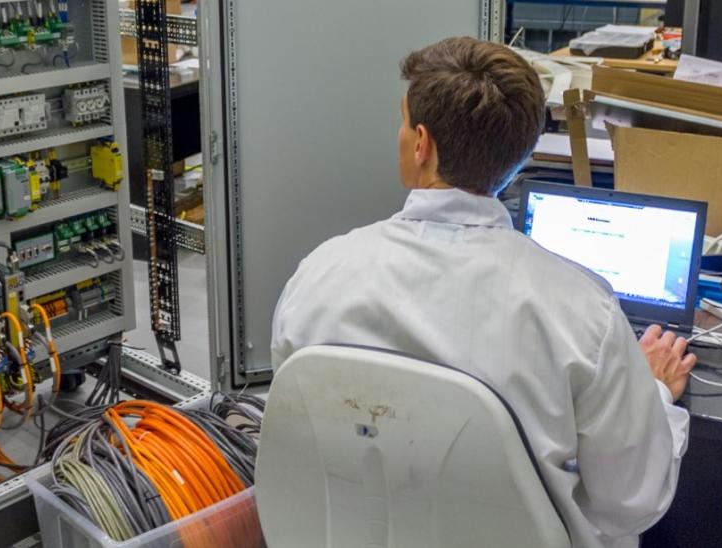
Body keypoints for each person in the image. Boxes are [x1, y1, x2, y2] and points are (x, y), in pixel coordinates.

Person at [269, 36, 695, 547]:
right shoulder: (582, 312)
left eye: (403, 123)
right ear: (520, 156)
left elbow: (300, 428)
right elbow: (631, 503)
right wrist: (651, 396)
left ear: (421, 143)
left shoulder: (318, 275)